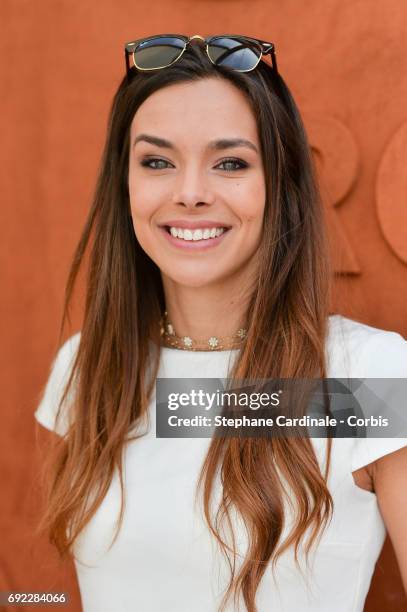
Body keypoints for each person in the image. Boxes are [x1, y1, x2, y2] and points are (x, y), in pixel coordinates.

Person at [34, 34, 407, 612]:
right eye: (157, 162)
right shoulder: (86, 369)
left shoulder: (370, 375)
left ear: (279, 186)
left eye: (230, 162)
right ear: (125, 184)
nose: (189, 193)